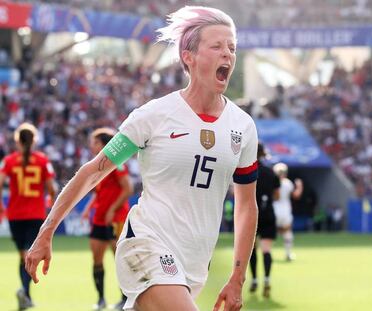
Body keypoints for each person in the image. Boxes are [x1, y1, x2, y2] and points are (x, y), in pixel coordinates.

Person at [25, 6, 259, 311]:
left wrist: (237, 278)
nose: (227, 54)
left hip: (193, 263)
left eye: (231, 47)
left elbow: (246, 205)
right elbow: (94, 172)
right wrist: (46, 233)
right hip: (145, 245)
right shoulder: (154, 116)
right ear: (188, 57)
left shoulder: (243, 126)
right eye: (216, 46)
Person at [0, 123, 56, 310]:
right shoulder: (41, 160)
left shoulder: (9, 161)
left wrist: (1, 204)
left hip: (14, 214)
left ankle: (26, 295)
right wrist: (50, 200)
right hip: (35, 214)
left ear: (17, 140)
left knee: (23, 256)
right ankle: (24, 290)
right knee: (28, 256)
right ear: (34, 140)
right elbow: (52, 188)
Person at [81, 128, 132, 310]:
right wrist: (87, 209)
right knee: (96, 258)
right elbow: (98, 192)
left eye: (95, 142)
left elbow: (128, 189)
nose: (91, 145)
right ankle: (101, 299)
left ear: (104, 144)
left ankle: (125, 299)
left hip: (115, 218)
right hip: (99, 218)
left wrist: (112, 209)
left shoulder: (118, 163)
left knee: (120, 259)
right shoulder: (99, 164)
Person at [249, 143, 280, 298]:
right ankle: (267, 280)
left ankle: (254, 279)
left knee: (251, 249)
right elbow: (277, 195)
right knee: (266, 249)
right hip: (268, 214)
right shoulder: (270, 172)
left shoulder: (247, 170)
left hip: (250, 215)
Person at [273, 162, 303, 261]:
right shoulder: (287, 182)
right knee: (287, 232)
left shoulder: (272, 181)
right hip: (285, 210)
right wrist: (300, 186)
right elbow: (296, 195)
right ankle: (288, 254)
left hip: (274, 209)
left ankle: (267, 252)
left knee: (271, 232)